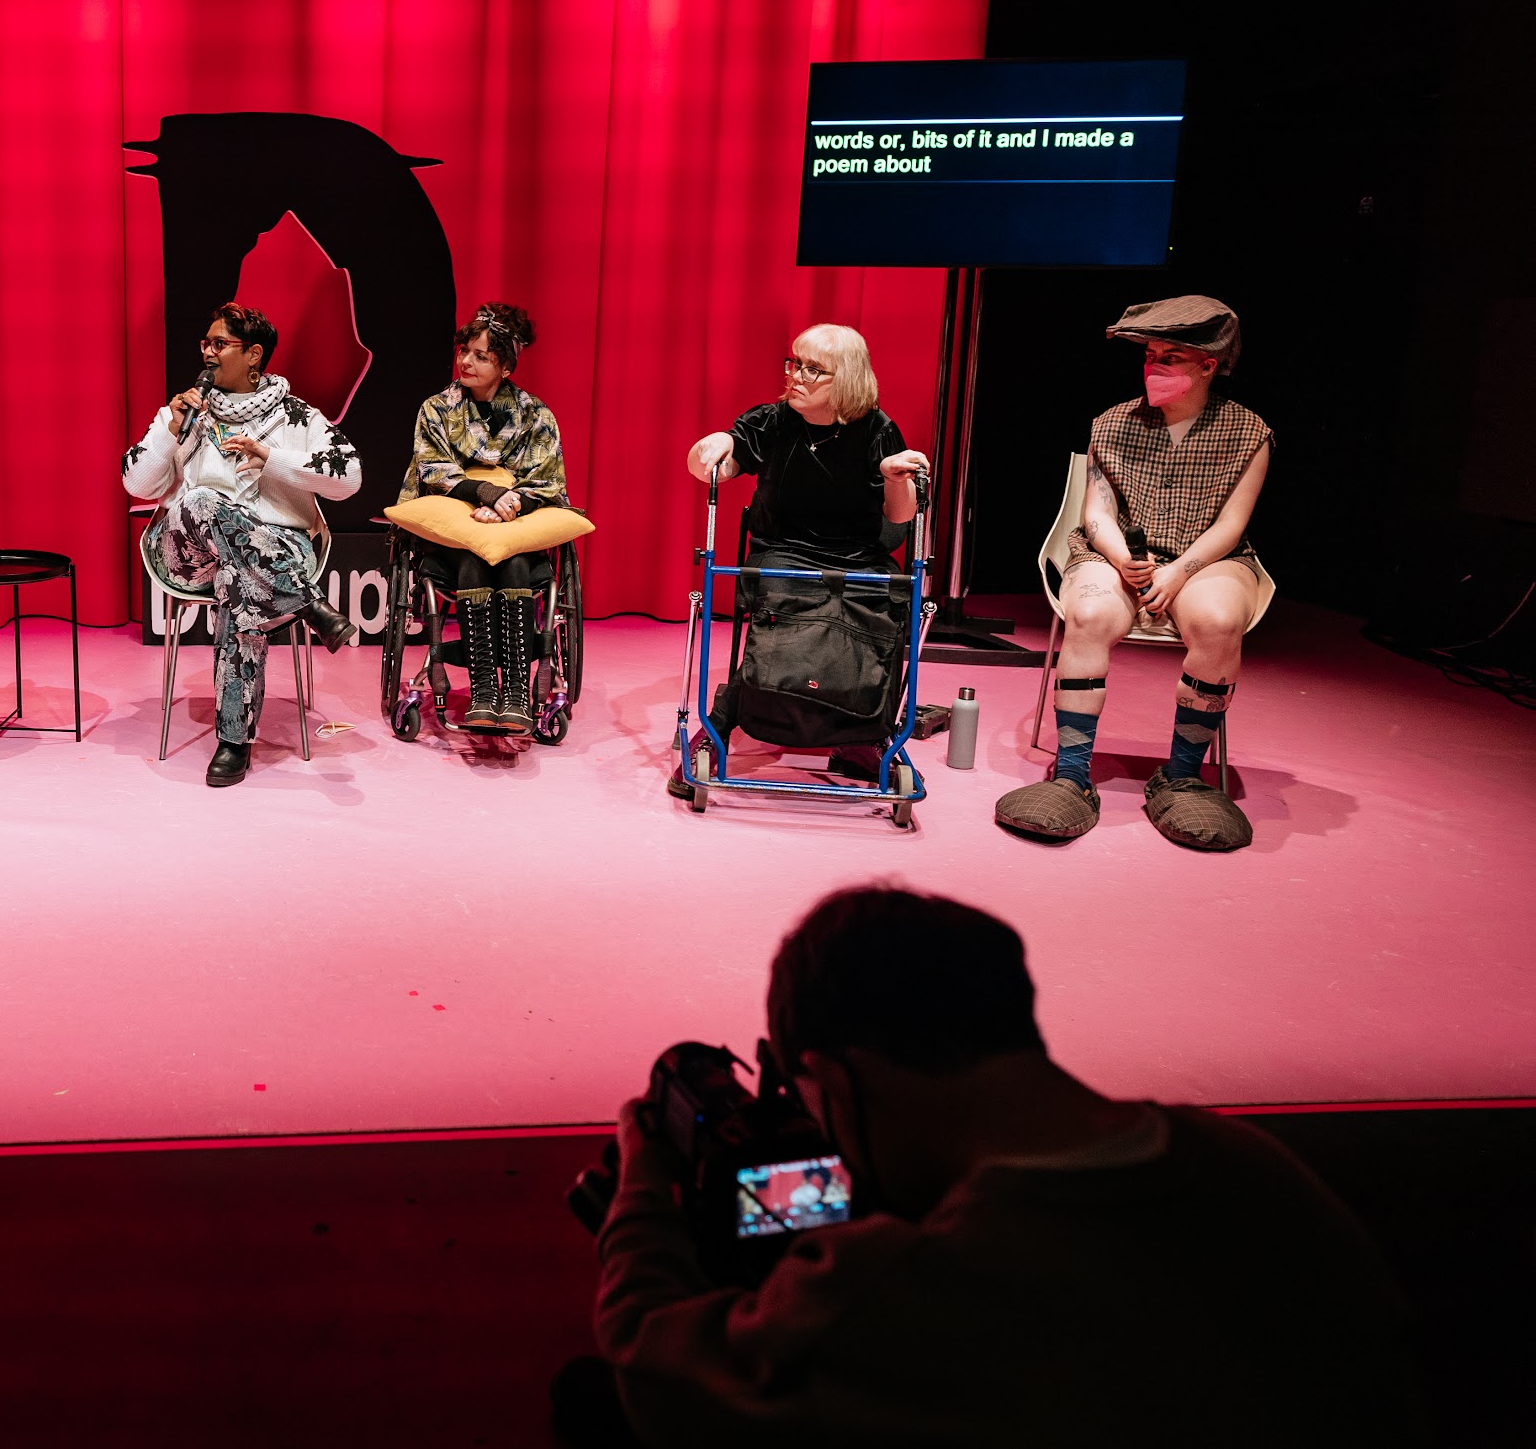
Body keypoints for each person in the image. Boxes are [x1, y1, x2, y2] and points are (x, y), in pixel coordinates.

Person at [583, 886, 1426, 1448]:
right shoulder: (1251, 1163)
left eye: (811, 1100)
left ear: (837, 1078)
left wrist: (643, 1192)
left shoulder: (895, 1285)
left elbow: (649, 1368)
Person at [996, 296, 1271, 850]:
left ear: (1208, 365)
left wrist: (1181, 570)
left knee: (1218, 621)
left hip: (1210, 559)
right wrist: (1122, 558)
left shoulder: (1248, 432)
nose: (1154, 367)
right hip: (1116, 553)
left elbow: (1231, 523)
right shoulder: (1113, 423)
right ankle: (1072, 776)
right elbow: (1095, 513)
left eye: (1170, 357)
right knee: (1091, 610)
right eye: (1149, 354)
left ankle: (1184, 775)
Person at [674, 324, 929, 792]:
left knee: (886, 607)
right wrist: (711, 448)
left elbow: (900, 515)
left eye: (814, 369)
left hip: (857, 557)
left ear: (847, 378)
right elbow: (718, 467)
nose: (796, 375)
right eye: (794, 363)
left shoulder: (877, 430)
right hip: (781, 552)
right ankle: (720, 724)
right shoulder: (772, 421)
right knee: (788, 609)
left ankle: (862, 735)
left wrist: (896, 477)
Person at [122, 302, 363, 787]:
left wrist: (270, 458)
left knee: (242, 580)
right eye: (205, 344)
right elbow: (137, 485)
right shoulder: (183, 413)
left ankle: (234, 740)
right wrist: (169, 433)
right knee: (206, 501)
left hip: (277, 544)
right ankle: (309, 604)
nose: (207, 352)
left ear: (254, 355)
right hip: (189, 552)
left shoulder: (298, 417)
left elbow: (350, 478)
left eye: (219, 344)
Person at [397, 301, 575, 734]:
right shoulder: (436, 409)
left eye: (481, 356)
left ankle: (514, 691)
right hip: (455, 535)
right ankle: (483, 691)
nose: (466, 362)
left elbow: (548, 481)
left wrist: (510, 506)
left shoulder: (536, 415)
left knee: (512, 561)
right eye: (464, 352)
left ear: (506, 367)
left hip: (514, 529)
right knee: (475, 558)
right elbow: (432, 470)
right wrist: (487, 493)